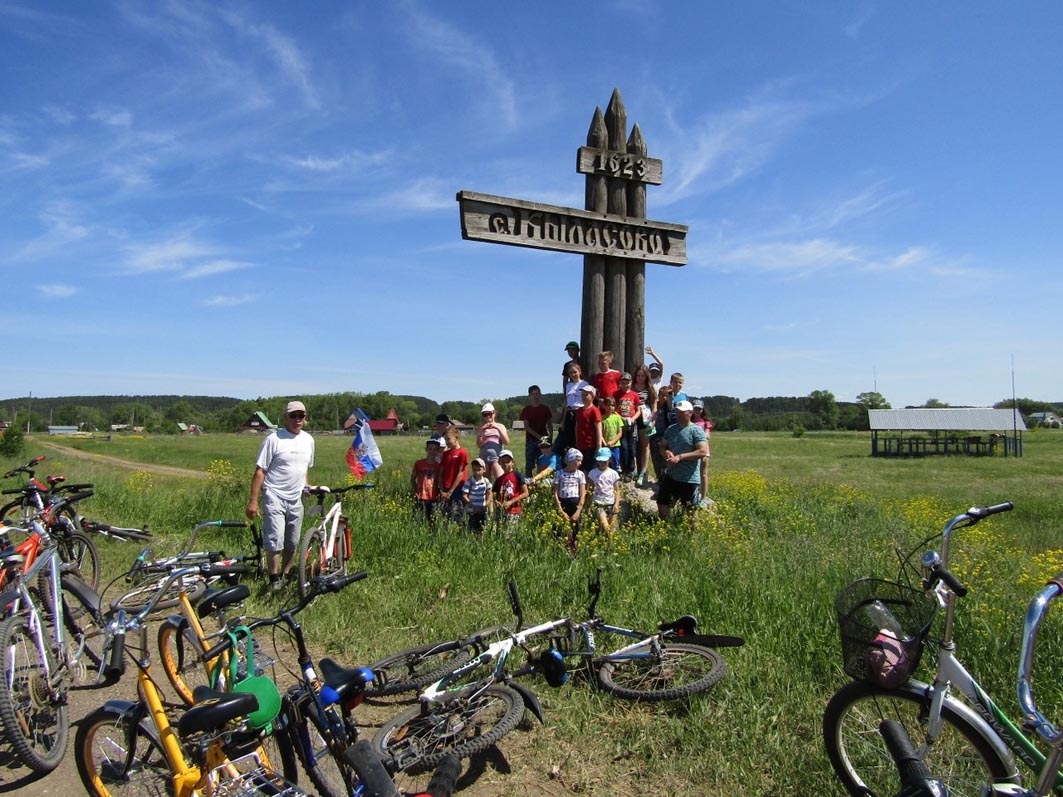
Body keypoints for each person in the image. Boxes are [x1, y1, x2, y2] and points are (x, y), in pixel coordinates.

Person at [246, 400, 315, 591]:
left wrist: (306, 485)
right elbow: (260, 471)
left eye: (301, 416)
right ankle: (274, 579)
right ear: (286, 417)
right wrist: (253, 501)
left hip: (296, 498)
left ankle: (286, 575)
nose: (297, 419)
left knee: (292, 542)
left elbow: (305, 468)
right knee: (275, 539)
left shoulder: (308, 440)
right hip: (274, 495)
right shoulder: (274, 439)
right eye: (293, 416)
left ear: (305, 418)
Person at [656, 400, 709, 520]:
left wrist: (680, 457)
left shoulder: (696, 430)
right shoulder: (671, 429)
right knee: (662, 502)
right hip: (672, 475)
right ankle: (665, 527)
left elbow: (702, 451)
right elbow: (662, 446)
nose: (678, 415)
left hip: (689, 478)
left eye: (682, 413)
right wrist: (666, 452)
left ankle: (692, 535)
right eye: (677, 412)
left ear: (690, 413)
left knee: (690, 509)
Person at [552, 449, 586, 552]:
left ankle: (574, 550)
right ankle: (560, 549)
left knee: (575, 529)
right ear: (571, 460)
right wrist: (560, 510)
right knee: (561, 529)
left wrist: (578, 511)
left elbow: (583, 493)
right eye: (578, 460)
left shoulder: (580, 474)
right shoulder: (559, 473)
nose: (580, 463)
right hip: (563, 503)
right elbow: (555, 493)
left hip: (575, 504)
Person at [631, 364, 657, 487]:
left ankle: (643, 472)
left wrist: (653, 421)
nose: (640, 378)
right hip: (632, 418)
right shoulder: (631, 387)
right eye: (638, 375)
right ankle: (634, 469)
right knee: (632, 445)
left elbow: (654, 406)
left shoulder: (650, 389)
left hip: (645, 420)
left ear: (646, 377)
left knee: (645, 446)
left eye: (642, 376)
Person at [556, 361, 590, 455]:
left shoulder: (585, 384)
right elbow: (567, 402)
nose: (573, 374)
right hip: (569, 412)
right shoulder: (568, 385)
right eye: (570, 373)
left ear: (580, 372)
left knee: (578, 437)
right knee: (567, 438)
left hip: (580, 411)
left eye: (575, 372)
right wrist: (563, 420)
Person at [518, 385, 553, 476]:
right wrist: (539, 437)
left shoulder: (545, 409)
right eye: (533, 394)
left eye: (537, 394)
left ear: (540, 395)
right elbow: (527, 427)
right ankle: (528, 484)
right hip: (531, 440)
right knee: (529, 465)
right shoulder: (526, 410)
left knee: (542, 463)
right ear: (529, 396)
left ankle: (540, 483)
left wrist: (550, 437)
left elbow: (549, 424)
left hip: (544, 441)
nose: (535, 396)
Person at [438, 426, 469, 523]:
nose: (447, 442)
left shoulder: (462, 452)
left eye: (448, 439)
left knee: (456, 512)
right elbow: (440, 473)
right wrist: (442, 490)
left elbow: (460, 473)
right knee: (445, 513)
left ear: (456, 438)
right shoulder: (446, 454)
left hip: (457, 488)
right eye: (445, 439)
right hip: (445, 487)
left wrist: (450, 491)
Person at [588, 447, 621, 534]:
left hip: (611, 503)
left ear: (609, 460)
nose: (602, 463)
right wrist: (589, 505)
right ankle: (610, 544)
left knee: (610, 529)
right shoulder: (592, 473)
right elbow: (590, 490)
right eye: (600, 461)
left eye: (605, 461)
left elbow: (617, 490)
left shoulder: (613, 473)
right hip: (598, 504)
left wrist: (617, 503)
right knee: (606, 528)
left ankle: (606, 545)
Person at [613, 372, 640, 478]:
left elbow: (639, 410)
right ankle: (623, 469)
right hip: (621, 424)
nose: (625, 385)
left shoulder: (634, 395)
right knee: (623, 447)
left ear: (631, 382)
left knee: (632, 448)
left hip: (632, 424)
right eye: (623, 383)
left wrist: (633, 419)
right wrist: (621, 418)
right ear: (620, 383)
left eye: (627, 383)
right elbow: (613, 409)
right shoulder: (616, 394)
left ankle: (631, 470)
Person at [493, 449, 528, 526]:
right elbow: (495, 496)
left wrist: (511, 502)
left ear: (513, 462)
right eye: (503, 462)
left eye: (508, 461)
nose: (505, 464)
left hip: (514, 511)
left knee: (510, 534)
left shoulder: (517, 475)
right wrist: (497, 502)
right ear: (499, 463)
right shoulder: (499, 480)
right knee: (500, 533)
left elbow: (526, 493)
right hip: (501, 511)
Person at [410, 438, 441, 524]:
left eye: (435, 449)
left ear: (438, 451)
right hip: (420, 496)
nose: (432, 451)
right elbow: (412, 479)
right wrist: (416, 490)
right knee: (418, 519)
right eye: (430, 449)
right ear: (426, 450)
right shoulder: (419, 463)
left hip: (433, 496)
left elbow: (440, 481)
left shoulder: (438, 466)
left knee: (432, 519)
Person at [476, 403, 509, 481]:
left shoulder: (501, 426)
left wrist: (497, 428)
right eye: (485, 414)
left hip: (497, 458)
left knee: (500, 480)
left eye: (490, 413)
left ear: (494, 413)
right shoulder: (481, 428)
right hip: (484, 458)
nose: (488, 416)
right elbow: (479, 445)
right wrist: (481, 432)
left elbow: (506, 442)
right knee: (485, 483)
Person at [573, 384, 603, 470]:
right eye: (582, 395)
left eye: (586, 394)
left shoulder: (594, 410)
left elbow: (598, 428)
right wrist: (577, 441)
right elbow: (577, 426)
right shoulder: (579, 410)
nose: (584, 397)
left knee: (591, 468)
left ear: (592, 396)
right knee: (582, 467)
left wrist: (598, 445)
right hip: (581, 444)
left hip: (591, 445)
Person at [691, 399, 714, 509]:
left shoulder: (705, 423)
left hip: (704, 451)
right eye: (695, 408)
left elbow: (707, 435)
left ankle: (703, 498)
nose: (697, 411)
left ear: (702, 410)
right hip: (691, 451)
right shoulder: (689, 421)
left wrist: (699, 435)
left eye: (699, 409)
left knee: (703, 474)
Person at [462, 458, 493, 536]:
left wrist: (486, 503)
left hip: (483, 509)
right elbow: (464, 495)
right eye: (474, 470)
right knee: (472, 529)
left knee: (483, 529)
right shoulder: (469, 482)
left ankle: (481, 542)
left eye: (479, 470)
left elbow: (489, 493)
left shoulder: (486, 481)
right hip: (473, 510)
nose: (477, 472)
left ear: (484, 470)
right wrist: (471, 504)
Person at [599, 396, 623, 469]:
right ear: (604, 406)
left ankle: (616, 476)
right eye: (608, 405)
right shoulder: (601, 418)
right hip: (605, 446)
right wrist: (605, 443)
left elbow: (620, 433)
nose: (610, 407)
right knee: (605, 463)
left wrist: (612, 442)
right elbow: (600, 433)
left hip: (615, 446)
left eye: (612, 405)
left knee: (616, 462)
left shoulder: (617, 417)